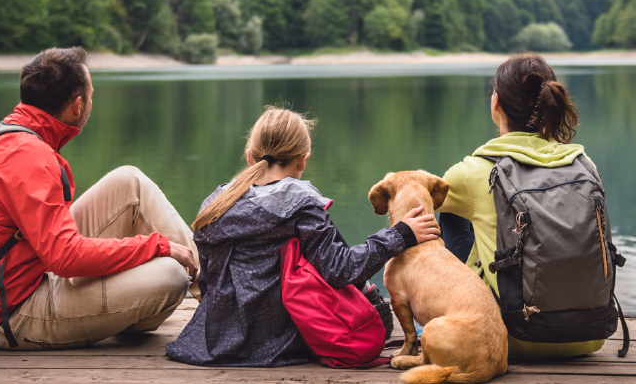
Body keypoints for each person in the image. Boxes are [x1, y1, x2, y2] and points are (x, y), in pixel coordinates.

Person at [0, 46, 200, 350]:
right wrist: (156, 246)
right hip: (13, 314)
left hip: (29, 269)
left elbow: (55, 249)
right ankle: (221, 299)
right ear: (77, 106)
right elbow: (66, 258)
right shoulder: (30, 157)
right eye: (92, 95)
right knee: (170, 276)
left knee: (128, 181)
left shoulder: (7, 136)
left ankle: (216, 293)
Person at [165, 106, 440, 367]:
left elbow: (209, 276)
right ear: (302, 161)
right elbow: (340, 269)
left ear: (250, 157)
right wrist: (399, 235)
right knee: (376, 311)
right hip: (280, 341)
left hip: (215, 338)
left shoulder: (215, 203)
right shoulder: (301, 204)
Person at [437, 52, 607, 359]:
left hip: (507, 337)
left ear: (495, 103)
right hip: (589, 335)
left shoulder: (472, 172)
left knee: (450, 212)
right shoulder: (584, 164)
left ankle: (451, 318)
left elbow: (420, 204)